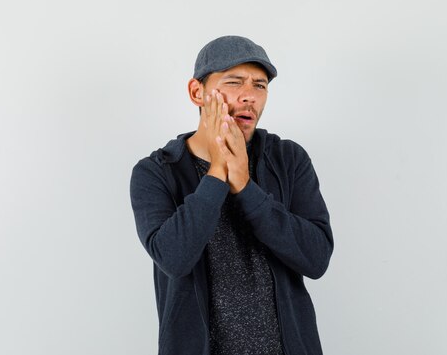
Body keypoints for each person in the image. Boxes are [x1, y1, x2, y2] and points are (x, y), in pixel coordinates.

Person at [129, 35, 334, 355]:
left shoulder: (288, 159)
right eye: (234, 82)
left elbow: (316, 258)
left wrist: (245, 186)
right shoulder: (157, 171)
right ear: (197, 92)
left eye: (260, 85)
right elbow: (174, 258)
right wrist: (217, 174)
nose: (249, 96)